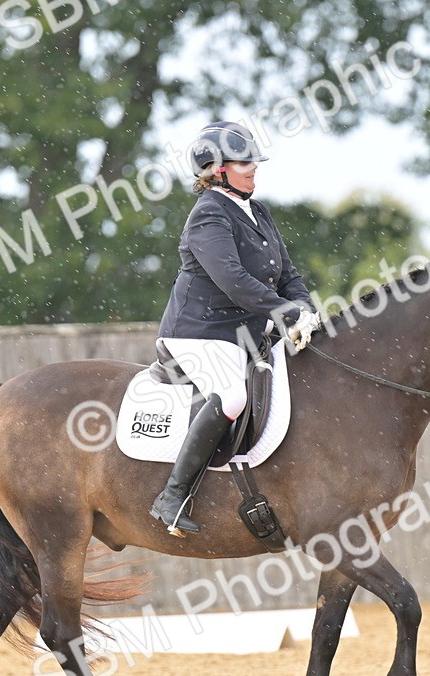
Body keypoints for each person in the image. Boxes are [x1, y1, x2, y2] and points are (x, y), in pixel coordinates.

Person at [150, 121, 321, 535]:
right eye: (244, 162)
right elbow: (234, 281)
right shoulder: (208, 214)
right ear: (217, 170)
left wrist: (307, 311)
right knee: (231, 397)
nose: (254, 168)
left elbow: (288, 276)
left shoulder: (257, 211)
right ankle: (172, 497)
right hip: (199, 334)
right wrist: (285, 312)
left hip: (247, 334)